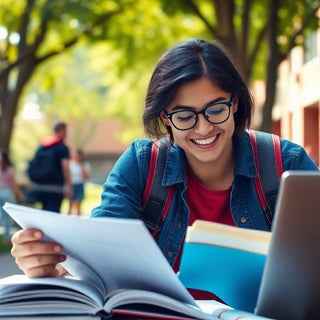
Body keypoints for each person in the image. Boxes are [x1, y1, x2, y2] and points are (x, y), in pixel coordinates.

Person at [11, 39, 318, 282]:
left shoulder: (285, 163)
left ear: (235, 102)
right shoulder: (141, 165)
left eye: (215, 109)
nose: (203, 128)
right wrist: (53, 263)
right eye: (185, 116)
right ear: (165, 118)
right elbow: (99, 251)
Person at [26, 121, 72, 213]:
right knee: (53, 216)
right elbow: (65, 167)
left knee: (43, 213)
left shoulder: (42, 146)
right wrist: (69, 185)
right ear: (62, 130)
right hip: (55, 188)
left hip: (40, 187)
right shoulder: (62, 147)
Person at [0, 151, 24, 243]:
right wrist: (19, 194)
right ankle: (6, 236)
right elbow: (14, 184)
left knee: (2, 214)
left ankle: (6, 235)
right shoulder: (9, 169)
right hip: (8, 193)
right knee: (8, 215)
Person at [68, 148, 90, 215]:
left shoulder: (85, 164)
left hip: (79, 184)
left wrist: (82, 166)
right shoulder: (71, 164)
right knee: (70, 204)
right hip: (72, 185)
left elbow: (86, 177)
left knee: (78, 204)